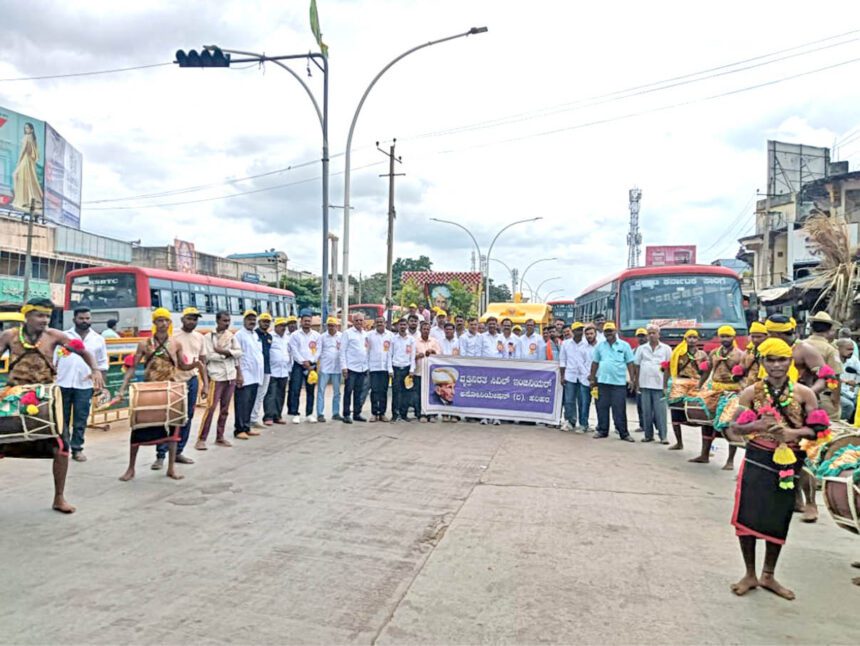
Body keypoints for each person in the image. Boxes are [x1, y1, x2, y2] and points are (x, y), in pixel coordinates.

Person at [725, 338, 820, 601]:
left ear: (790, 362)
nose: (777, 366)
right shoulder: (750, 393)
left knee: (779, 518)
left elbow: (817, 429)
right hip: (757, 458)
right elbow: (734, 427)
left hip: (789, 463)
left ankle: (768, 574)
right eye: (771, 360)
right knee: (748, 517)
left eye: (782, 360)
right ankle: (749, 574)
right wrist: (755, 427)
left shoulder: (804, 393)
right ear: (764, 363)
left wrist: (791, 432)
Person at [0, 298, 104, 512]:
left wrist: (95, 370)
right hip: (15, 397)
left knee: (61, 447)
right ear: (27, 315)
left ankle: (59, 498)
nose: (44, 320)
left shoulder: (55, 336)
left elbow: (83, 351)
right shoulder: (9, 336)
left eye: (47, 316)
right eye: (39, 315)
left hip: (45, 398)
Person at [765, 314, 833, 523]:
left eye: (771, 334)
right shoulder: (769, 349)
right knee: (781, 454)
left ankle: (811, 503)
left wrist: (806, 393)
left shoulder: (804, 350)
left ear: (778, 333)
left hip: (805, 410)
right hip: (775, 408)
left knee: (804, 459)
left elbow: (827, 377)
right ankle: (794, 500)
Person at [117, 308, 185, 482]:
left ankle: (171, 468)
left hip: (170, 390)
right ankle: (131, 469)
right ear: (154, 323)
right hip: (149, 390)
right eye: (159, 320)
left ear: (170, 323)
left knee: (173, 430)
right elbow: (133, 367)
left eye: (166, 321)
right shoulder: (144, 343)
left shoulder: (176, 343)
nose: (163, 324)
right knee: (138, 430)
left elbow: (183, 366)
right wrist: (122, 387)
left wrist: (198, 367)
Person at [155, 307, 207, 468]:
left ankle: (178, 452)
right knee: (168, 417)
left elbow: (202, 362)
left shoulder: (199, 337)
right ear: (182, 319)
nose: (192, 321)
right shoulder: (172, 335)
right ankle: (161, 455)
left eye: (195, 319)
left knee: (187, 416)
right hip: (173, 381)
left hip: (191, 380)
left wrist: (205, 383)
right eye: (189, 318)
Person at [55, 306, 108, 462]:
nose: (85, 321)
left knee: (81, 418)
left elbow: (102, 364)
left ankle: (77, 449)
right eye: (81, 318)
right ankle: (62, 447)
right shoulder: (64, 336)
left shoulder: (98, 339)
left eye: (87, 318)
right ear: (74, 319)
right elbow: (54, 360)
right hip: (62, 383)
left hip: (85, 385)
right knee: (61, 418)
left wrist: (100, 385)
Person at [690, 325, 745, 466]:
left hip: (732, 392)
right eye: (722, 336)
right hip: (714, 390)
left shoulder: (740, 355)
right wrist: (699, 387)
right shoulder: (714, 353)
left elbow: (742, 376)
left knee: (728, 424)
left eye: (728, 336)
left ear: (733, 337)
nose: (725, 339)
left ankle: (730, 460)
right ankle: (704, 455)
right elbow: (707, 372)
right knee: (706, 422)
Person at [197, 310, 242, 449]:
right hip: (216, 376)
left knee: (225, 409)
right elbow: (208, 356)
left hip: (230, 376)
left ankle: (220, 437)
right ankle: (201, 438)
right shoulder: (209, 337)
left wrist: (224, 352)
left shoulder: (231, 336)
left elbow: (239, 353)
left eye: (228, 321)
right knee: (210, 408)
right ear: (217, 321)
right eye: (224, 321)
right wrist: (227, 355)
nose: (227, 323)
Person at [589, 322, 635, 441]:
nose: (608, 333)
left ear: (615, 332)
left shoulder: (624, 346)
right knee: (601, 407)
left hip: (618, 382)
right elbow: (595, 363)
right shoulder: (600, 346)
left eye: (610, 331)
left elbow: (630, 363)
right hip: (603, 382)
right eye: (606, 331)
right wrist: (592, 378)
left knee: (619, 409)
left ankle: (624, 433)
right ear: (603, 333)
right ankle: (602, 431)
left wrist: (632, 379)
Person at [667, 329, 709, 451]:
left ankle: (705, 449)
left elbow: (706, 371)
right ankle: (679, 442)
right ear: (685, 339)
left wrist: (702, 383)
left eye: (694, 337)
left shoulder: (702, 355)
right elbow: (670, 368)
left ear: (698, 340)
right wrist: (666, 385)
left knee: (701, 414)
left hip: (697, 384)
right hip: (680, 383)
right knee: (675, 412)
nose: (691, 340)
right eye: (689, 337)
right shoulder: (678, 353)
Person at [234, 310, 264, 440]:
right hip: (245, 375)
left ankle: (246, 427)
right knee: (242, 403)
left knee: (250, 402)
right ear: (244, 320)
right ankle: (239, 429)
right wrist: (239, 374)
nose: (252, 321)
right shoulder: (239, 335)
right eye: (249, 319)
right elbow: (236, 356)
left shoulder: (255, 335)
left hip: (255, 375)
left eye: (254, 319)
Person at [287, 313, 321, 424]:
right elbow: (294, 350)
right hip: (298, 365)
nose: (307, 322)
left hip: (312, 366)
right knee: (295, 389)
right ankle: (295, 414)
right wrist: (303, 361)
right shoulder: (295, 335)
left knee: (310, 390)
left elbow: (319, 350)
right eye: (305, 321)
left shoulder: (316, 335)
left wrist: (312, 361)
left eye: (309, 321)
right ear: (301, 322)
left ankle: (309, 414)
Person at [559, 322, 591, 432]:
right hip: (570, 376)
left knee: (583, 401)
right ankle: (570, 422)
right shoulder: (565, 344)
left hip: (584, 376)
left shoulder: (587, 344)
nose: (579, 332)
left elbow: (589, 361)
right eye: (577, 330)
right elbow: (562, 361)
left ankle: (583, 424)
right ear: (572, 331)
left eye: (581, 330)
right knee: (569, 401)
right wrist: (562, 376)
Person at [340, 312, 369, 424]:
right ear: (353, 321)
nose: (359, 322)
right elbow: (342, 351)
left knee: (359, 392)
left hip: (362, 368)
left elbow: (366, 350)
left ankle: (357, 413)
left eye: (361, 320)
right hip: (351, 368)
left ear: (363, 321)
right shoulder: (347, 333)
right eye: (356, 320)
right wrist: (344, 367)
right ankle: (346, 414)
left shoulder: (365, 334)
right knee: (348, 391)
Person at [263, 317, 291, 425]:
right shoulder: (270, 336)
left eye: (284, 326)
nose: (283, 328)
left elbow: (290, 352)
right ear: (276, 327)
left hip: (284, 371)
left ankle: (277, 416)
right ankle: (268, 417)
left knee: (280, 394)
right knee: (271, 394)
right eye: (281, 326)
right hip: (272, 371)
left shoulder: (287, 338)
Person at [12, 122, 43, 211]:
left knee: (16, 175)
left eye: (28, 128)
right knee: (28, 180)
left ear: (32, 129)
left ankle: (20, 199)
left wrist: (18, 162)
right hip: (30, 161)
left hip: (26, 160)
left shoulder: (27, 137)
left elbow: (23, 150)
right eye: (25, 128)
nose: (26, 130)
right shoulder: (33, 139)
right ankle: (28, 199)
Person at [367, 316, 393, 422]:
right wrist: (367, 367)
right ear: (375, 323)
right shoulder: (369, 336)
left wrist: (390, 369)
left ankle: (382, 413)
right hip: (373, 368)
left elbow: (391, 353)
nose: (379, 324)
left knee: (383, 391)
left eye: (381, 322)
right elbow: (367, 351)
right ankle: (374, 413)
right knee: (374, 391)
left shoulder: (390, 336)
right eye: (377, 322)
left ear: (385, 323)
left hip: (385, 368)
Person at [390, 318, 416, 422]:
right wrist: (390, 369)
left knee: (406, 393)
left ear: (407, 326)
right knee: (396, 392)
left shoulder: (411, 339)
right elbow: (389, 355)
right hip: (396, 368)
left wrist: (412, 369)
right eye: (401, 325)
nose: (402, 326)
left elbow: (413, 355)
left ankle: (404, 414)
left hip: (407, 369)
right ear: (397, 326)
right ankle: (395, 415)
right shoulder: (393, 339)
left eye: (404, 324)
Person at [250, 312, 274, 429]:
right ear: (259, 322)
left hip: (267, 369)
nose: (266, 324)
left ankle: (254, 418)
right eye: (264, 321)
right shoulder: (254, 334)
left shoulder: (269, 337)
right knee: (253, 394)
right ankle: (249, 418)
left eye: (268, 322)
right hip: (255, 369)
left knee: (261, 394)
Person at [316, 316, 342, 423]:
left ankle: (335, 413)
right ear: (327, 326)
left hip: (337, 368)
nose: (331, 328)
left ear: (337, 326)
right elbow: (318, 351)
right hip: (325, 368)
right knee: (321, 391)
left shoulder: (341, 336)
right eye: (329, 325)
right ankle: (320, 414)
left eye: (333, 326)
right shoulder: (322, 337)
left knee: (337, 392)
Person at [416, 321, 441, 423]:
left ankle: (432, 415)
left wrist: (433, 352)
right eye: (424, 329)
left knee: (432, 393)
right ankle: (421, 414)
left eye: (427, 329)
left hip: (432, 373)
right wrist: (417, 356)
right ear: (420, 330)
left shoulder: (434, 341)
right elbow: (411, 355)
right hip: (419, 371)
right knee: (419, 394)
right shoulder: (415, 341)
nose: (426, 331)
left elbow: (440, 354)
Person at [836, 338, 860, 420]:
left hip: (846, 391)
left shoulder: (853, 359)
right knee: (848, 405)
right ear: (838, 348)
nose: (851, 352)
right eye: (849, 349)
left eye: (852, 349)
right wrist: (846, 381)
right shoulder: (832, 359)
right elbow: (830, 377)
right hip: (830, 391)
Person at [633, 328, 648, 433]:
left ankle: (654, 426)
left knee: (652, 406)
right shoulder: (634, 350)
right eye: (639, 336)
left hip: (651, 381)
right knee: (640, 405)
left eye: (643, 336)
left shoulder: (650, 348)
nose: (641, 338)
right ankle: (642, 425)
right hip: (639, 381)